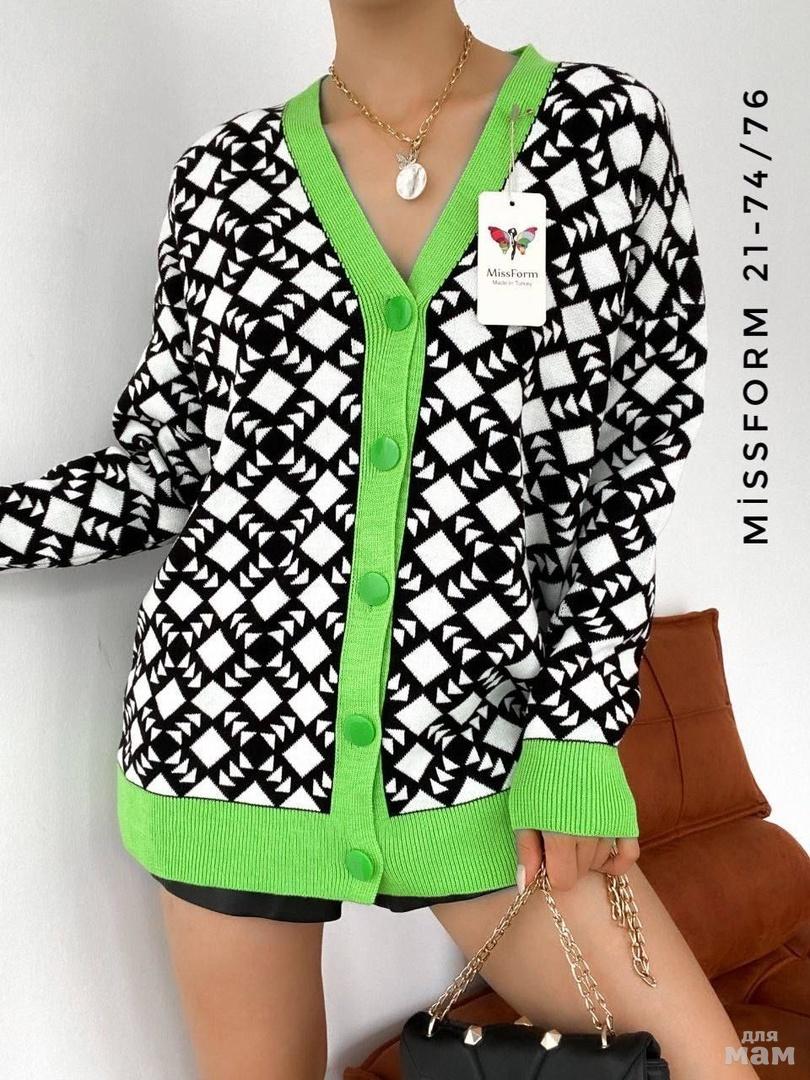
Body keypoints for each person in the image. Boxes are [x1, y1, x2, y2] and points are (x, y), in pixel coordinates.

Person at [0, 2, 759, 1078]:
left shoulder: (598, 130)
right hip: (221, 739)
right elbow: (163, 471)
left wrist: (579, 729)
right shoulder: (222, 178)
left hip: (489, 748)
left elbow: (631, 457)